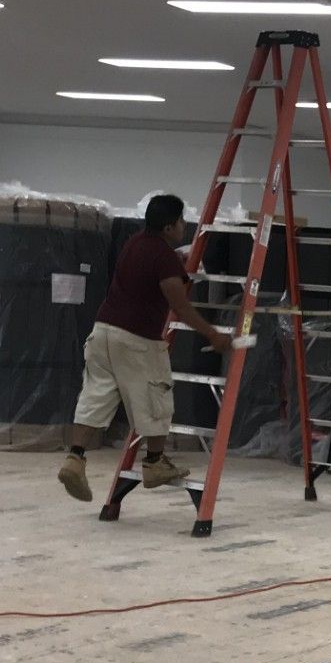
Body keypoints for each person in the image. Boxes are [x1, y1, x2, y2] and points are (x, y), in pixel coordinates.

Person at [57, 195, 230, 502]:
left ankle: (75, 458)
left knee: (95, 396)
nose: (183, 226)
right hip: (137, 340)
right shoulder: (162, 255)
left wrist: (178, 263)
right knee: (156, 395)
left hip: (103, 332)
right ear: (168, 225)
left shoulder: (135, 243)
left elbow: (148, 274)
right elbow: (180, 306)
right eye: (180, 221)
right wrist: (213, 334)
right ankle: (154, 462)